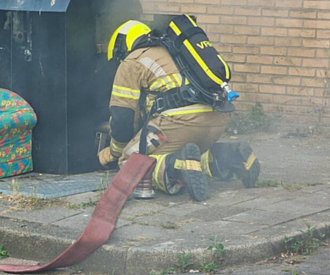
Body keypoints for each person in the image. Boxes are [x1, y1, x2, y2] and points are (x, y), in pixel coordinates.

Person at [98, 19, 260, 201]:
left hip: (179, 121)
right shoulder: (175, 52)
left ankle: (177, 168)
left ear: (122, 45)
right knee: (192, 154)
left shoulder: (132, 61)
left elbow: (123, 117)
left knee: (130, 162)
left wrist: (113, 152)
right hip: (216, 118)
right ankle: (232, 157)